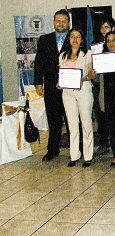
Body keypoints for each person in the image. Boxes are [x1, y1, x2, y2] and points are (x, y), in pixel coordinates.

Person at [34, 9, 70, 161]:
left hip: (70, 87)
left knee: (71, 119)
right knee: (53, 119)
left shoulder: (75, 38)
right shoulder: (44, 39)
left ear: (68, 23)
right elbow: (38, 63)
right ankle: (52, 150)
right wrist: (37, 82)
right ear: (54, 22)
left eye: (64, 21)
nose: (61, 23)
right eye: (58, 21)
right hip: (50, 85)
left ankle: (77, 149)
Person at [93, 31, 115, 167]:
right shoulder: (101, 58)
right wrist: (93, 74)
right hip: (106, 97)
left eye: (114, 40)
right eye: (108, 41)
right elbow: (97, 80)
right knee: (112, 128)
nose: (111, 43)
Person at [59, 28, 94, 168]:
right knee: (72, 125)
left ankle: (88, 156)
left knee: (86, 123)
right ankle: (74, 155)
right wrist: (60, 83)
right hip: (67, 93)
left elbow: (92, 73)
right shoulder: (62, 55)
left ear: (82, 39)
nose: (75, 40)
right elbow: (61, 74)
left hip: (83, 90)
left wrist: (83, 78)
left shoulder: (87, 54)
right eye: (72, 37)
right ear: (68, 39)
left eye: (78, 37)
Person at [93, 17, 115, 156]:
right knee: (101, 115)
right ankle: (103, 142)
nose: (103, 30)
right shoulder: (95, 46)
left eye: (106, 27)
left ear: (112, 28)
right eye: (102, 27)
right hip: (100, 85)